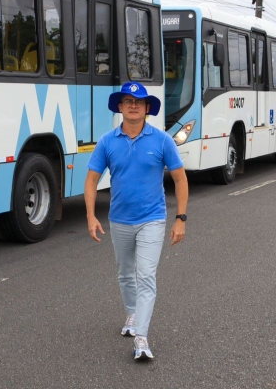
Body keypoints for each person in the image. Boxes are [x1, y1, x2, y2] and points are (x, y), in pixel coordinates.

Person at [84, 81, 189, 361]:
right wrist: (91, 215)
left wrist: (180, 218)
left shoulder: (162, 140)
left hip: (152, 219)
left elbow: (180, 178)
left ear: (146, 109)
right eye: (128, 101)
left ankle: (141, 337)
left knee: (145, 276)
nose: (133, 106)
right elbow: (92, 180)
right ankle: (132, 313)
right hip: (119, 219)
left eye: (139, 102)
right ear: (120, 107)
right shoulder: (107, 141)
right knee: (125, 272)